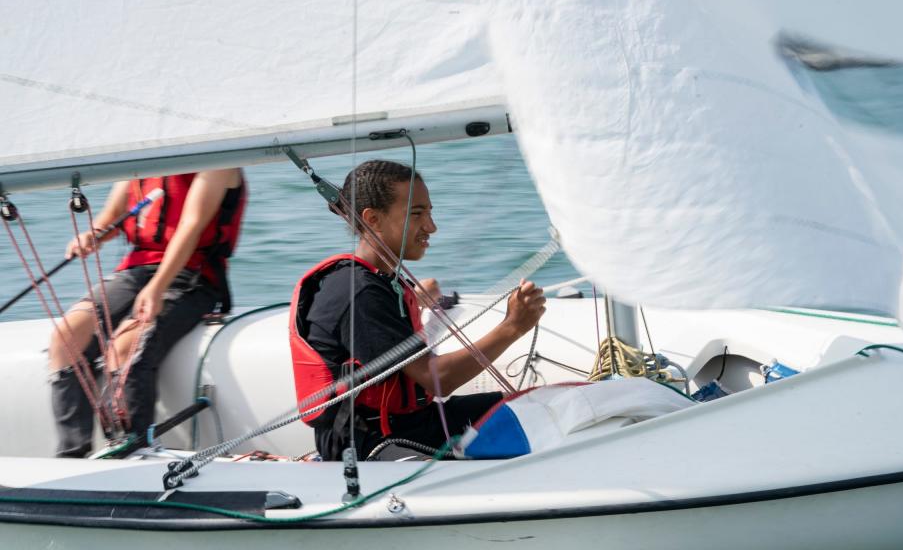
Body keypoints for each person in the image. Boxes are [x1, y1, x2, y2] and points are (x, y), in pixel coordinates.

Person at [289, 160, 545, 461]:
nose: (431, 226)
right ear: (372, 219)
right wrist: (512, 326)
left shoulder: (378, 281)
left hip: (409, 423)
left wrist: (418, 296)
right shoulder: (360, 293)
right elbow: (438, 379)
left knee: (539, 407)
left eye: (430, 212)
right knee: (539, 425)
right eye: (416, 214)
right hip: (373, 445)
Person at [48, 169, 246, 457]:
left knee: (124, 346)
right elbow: (113, 217)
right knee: (66, 339)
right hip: (136, 272)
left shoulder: (216, 164)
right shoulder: (142, 160)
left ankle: (132, 450)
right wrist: (94, 235)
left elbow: (191, 226)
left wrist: (157, 287)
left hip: (192, 277)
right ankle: (71, 455)